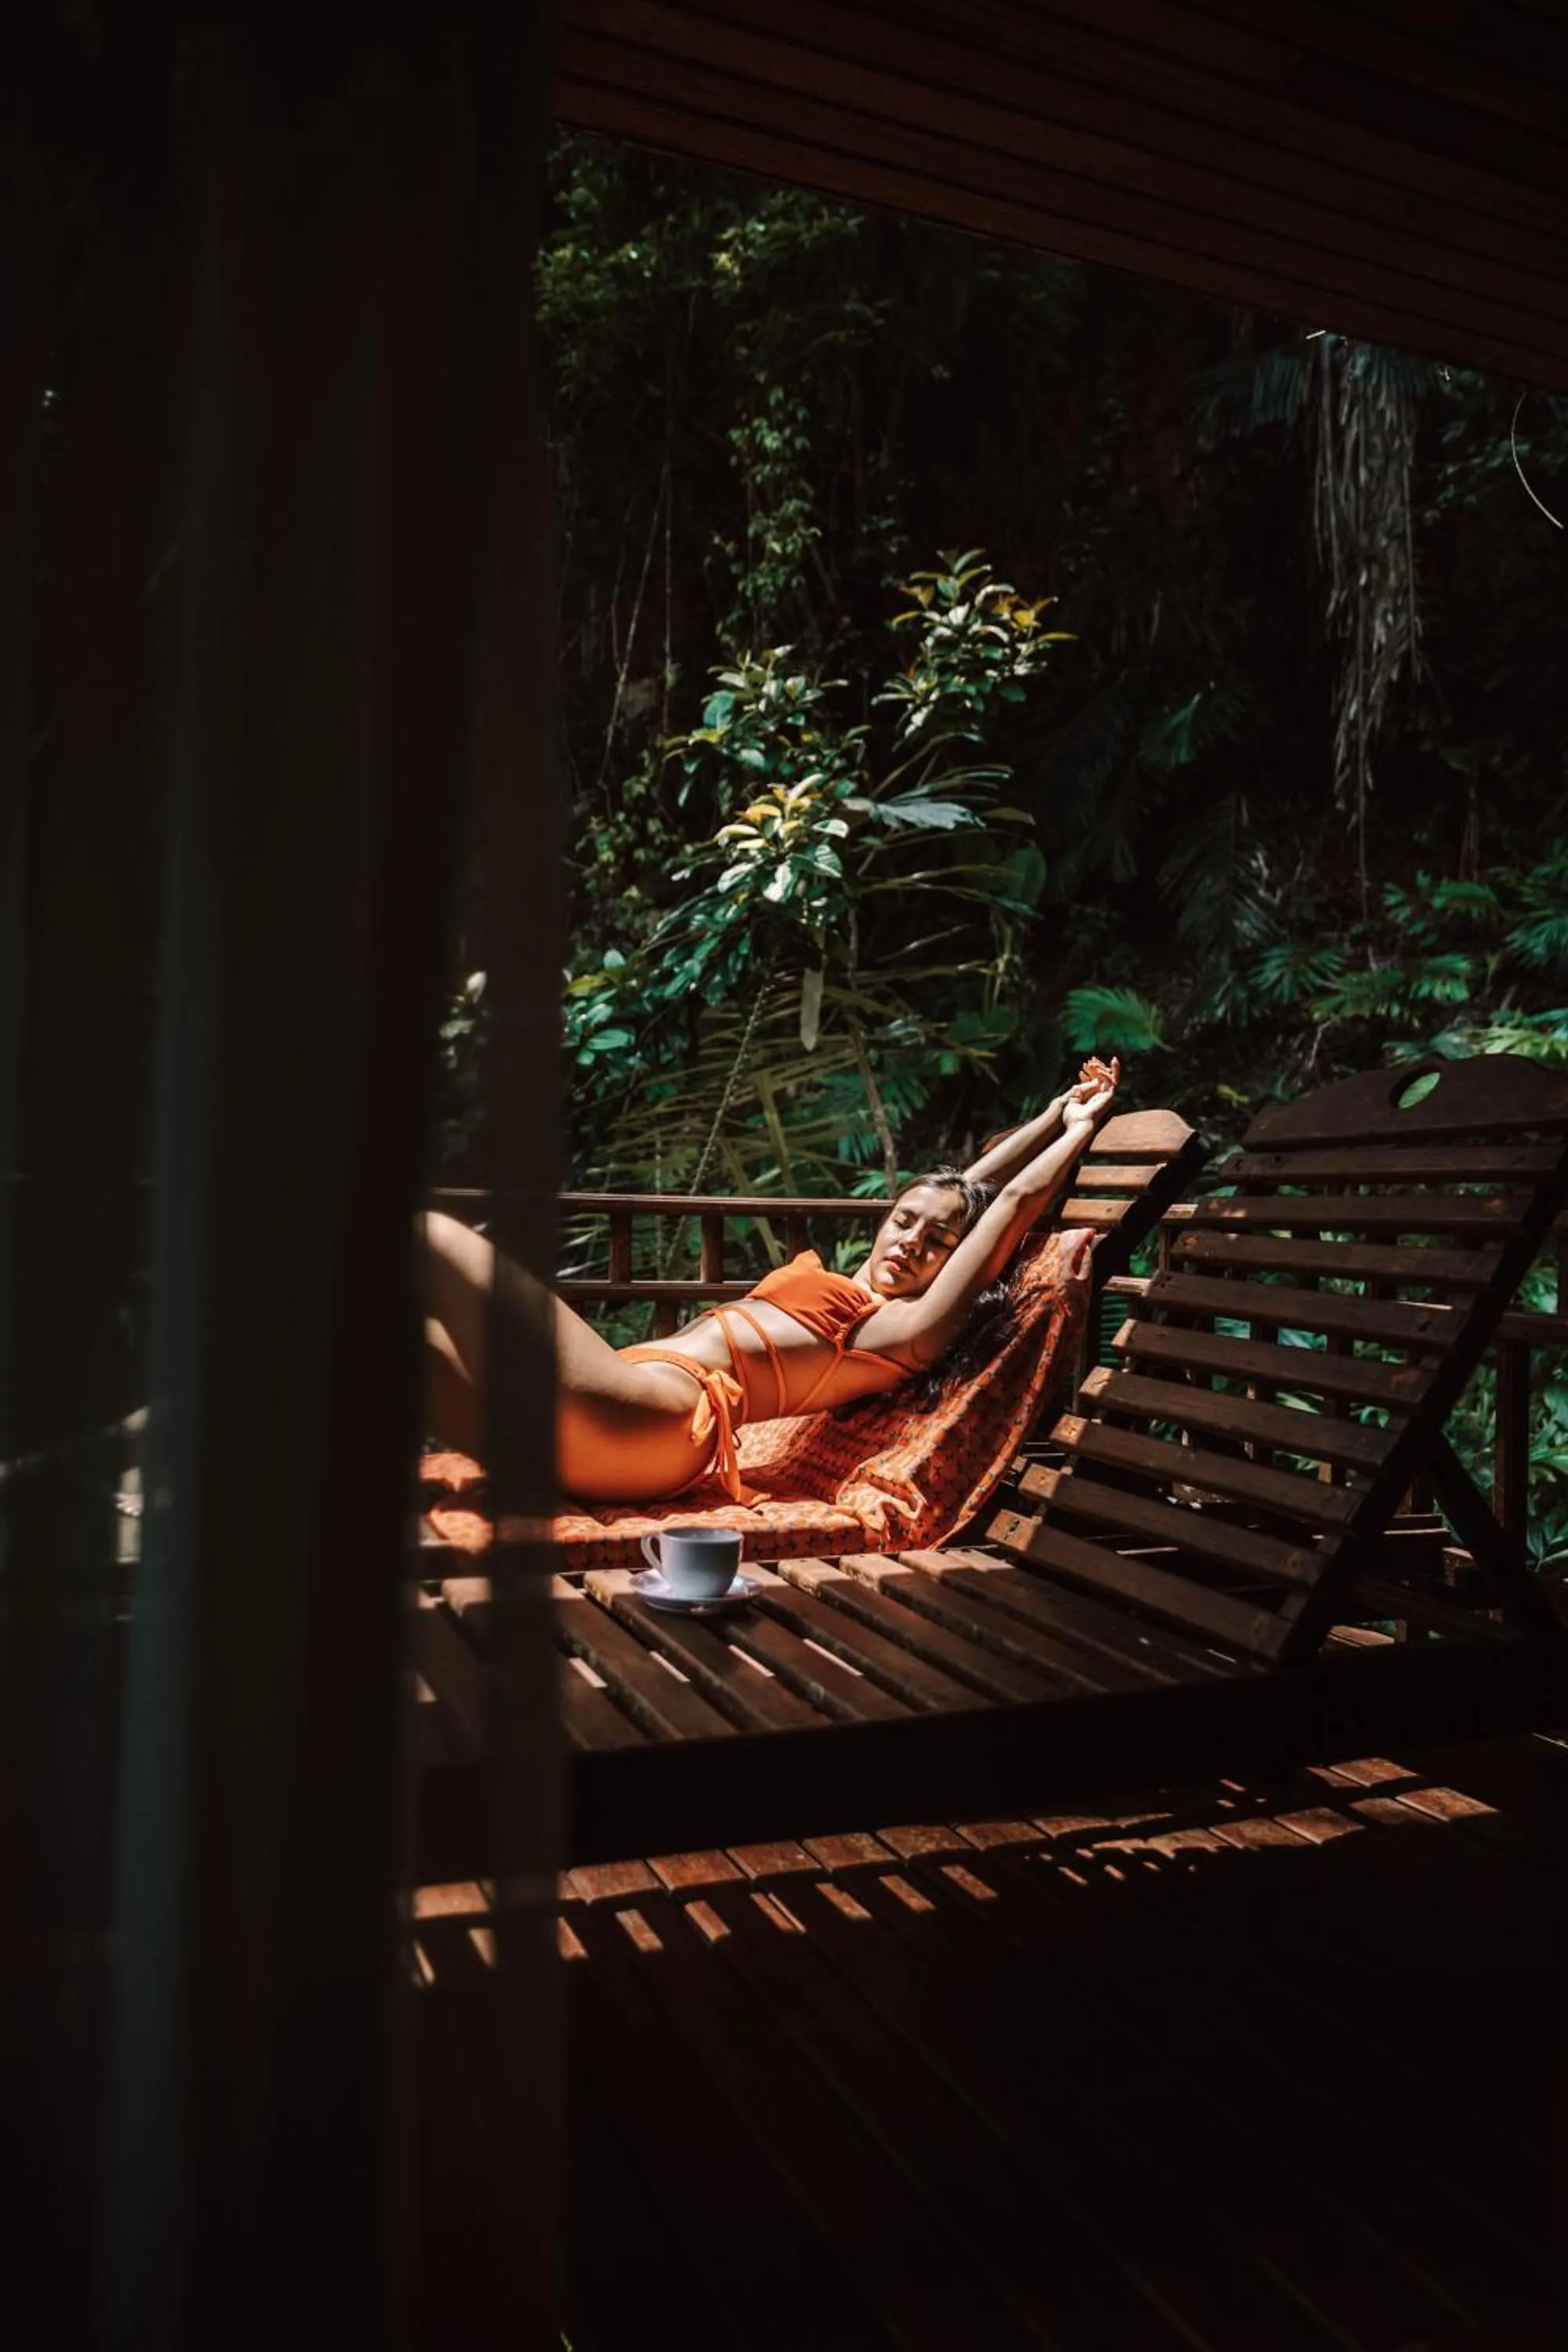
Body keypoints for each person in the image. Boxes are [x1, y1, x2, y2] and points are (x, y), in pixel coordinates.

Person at [421, 1055, 1120, 1505]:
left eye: (939, 1245)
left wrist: (1079, 1132)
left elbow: (1008, 1206)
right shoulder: (867, 1286)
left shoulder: (906, 1332)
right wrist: (1056, 1109)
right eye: (905, 1221)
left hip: (652, 1424)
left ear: (958, 1265)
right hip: (619, 1422)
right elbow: (969, 1188)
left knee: (434, 1235)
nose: (912, 1243)